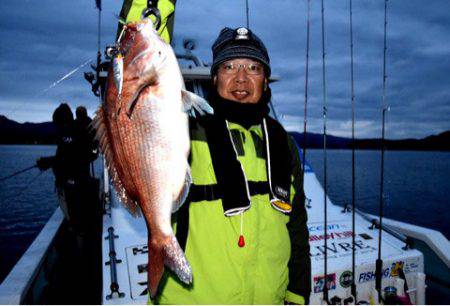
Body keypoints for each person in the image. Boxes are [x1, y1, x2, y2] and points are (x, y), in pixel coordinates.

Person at [119, 2, 311, 304]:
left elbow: (296, 229)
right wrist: (150, 9)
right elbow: (134, 77)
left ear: (265, 79)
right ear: (215, 78)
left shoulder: (282, 141)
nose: (241, 79)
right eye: (229, 67)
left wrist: (297, 296)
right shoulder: (188, 128)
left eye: (253, 68)